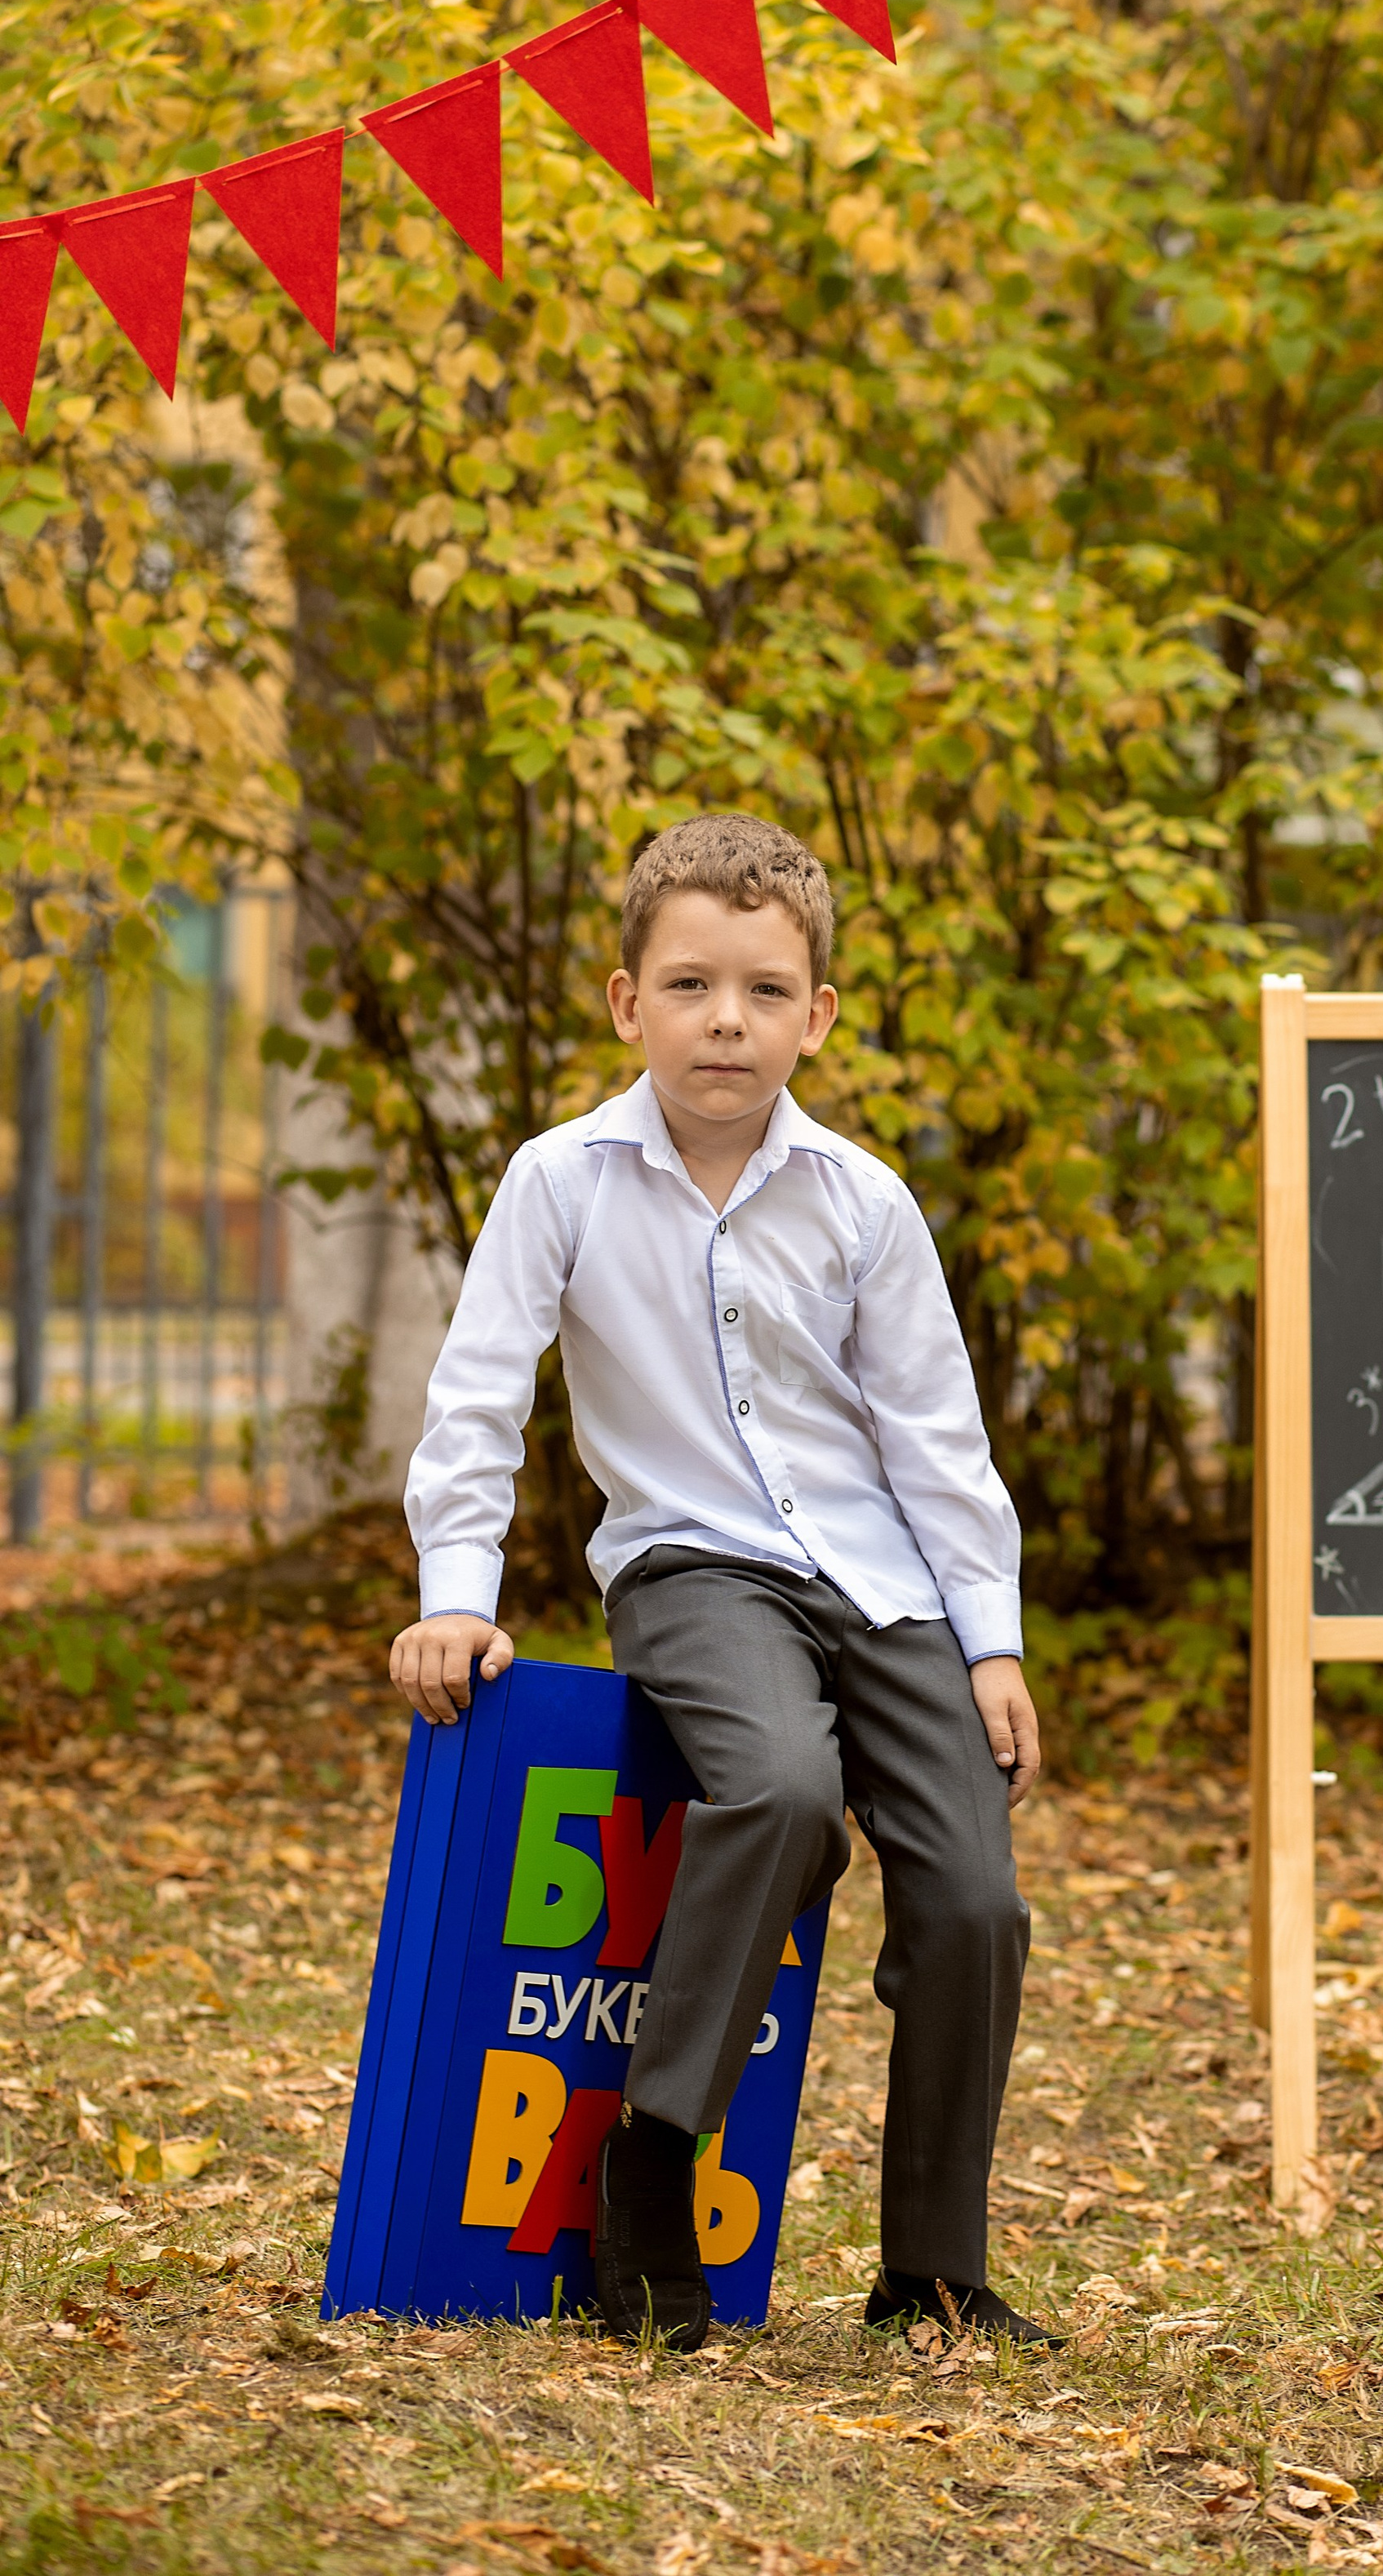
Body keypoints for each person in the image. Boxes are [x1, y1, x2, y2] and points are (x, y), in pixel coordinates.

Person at [386, 812, 1052, 2352]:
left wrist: (991, 1641)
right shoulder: (560, 1182)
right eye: (690, 986)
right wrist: (455, 1590)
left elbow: (938, 1443)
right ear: (631, 1003)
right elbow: (478, 1400)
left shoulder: (865, 1202)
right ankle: (652, 2163)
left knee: (976, 1899)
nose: (727, 1021)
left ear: (817, 1016)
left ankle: (932, 2267)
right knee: (780, 1795)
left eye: (764, 991)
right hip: (691, 1566)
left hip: (882, 1583)